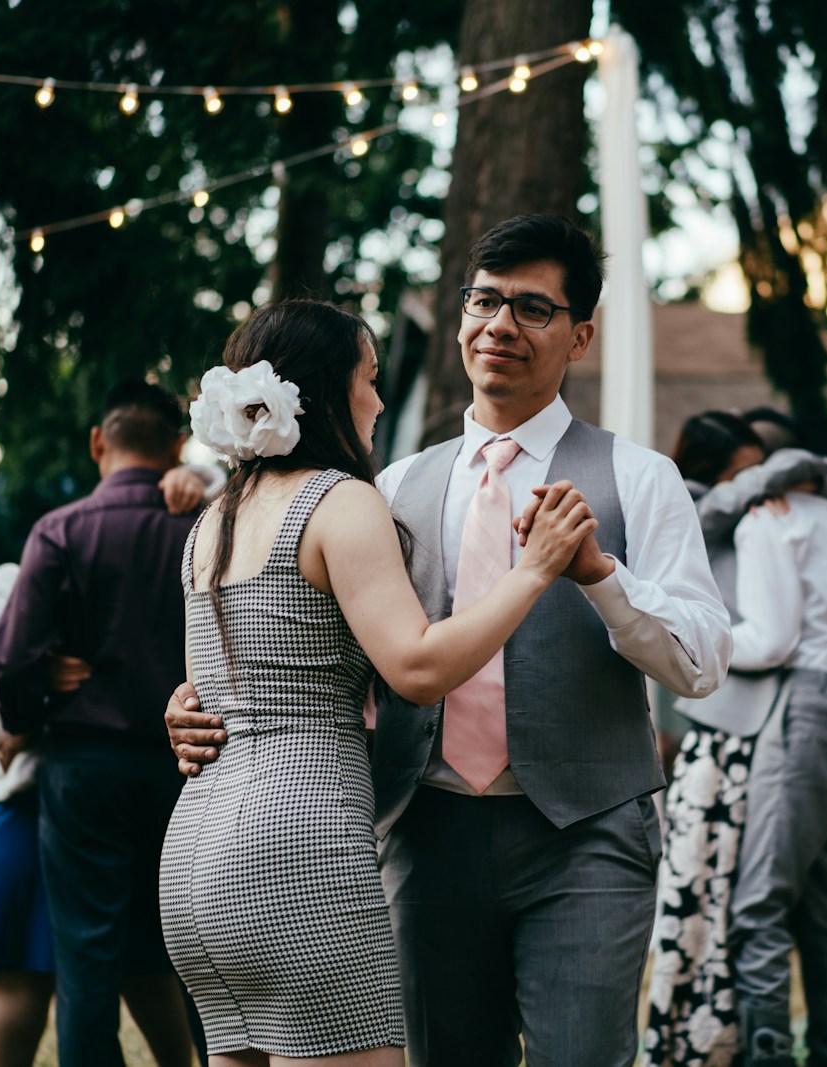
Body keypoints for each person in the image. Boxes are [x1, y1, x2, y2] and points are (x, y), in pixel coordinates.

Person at [167, 214, 732, 1067]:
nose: (500, 325)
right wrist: (203, 699)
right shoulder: (388, 485)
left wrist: (600, 574)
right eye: (485, 301)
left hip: (585, 835)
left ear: (579, 334)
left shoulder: (639, 477)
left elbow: (701, 664)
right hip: (422, 831)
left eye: (533, 309)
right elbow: (334, 648)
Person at [157, 298, 600, 1066]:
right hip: (296, 850)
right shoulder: (339, 500)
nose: (380, 398)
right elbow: (418, 667)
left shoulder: (214, 519)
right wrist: (533, 572)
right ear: (327, 391)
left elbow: (210, 690)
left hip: (194, 865)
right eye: (369, 376)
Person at [0, 465, 217, 1067]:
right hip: (34, 797)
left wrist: (196, 475)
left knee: (148, 963)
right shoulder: (17, 577)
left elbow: (243, 488)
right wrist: (34, 684)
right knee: (29, 970)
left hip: (101, 786)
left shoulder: (192, 528)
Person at [644, 410, 827, 1067]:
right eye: (744, 469)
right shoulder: (691, 510)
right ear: (714, 470)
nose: (758, 483)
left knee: (783, 896)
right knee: (711, 892)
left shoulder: (764, 512)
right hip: (724, 724)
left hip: (771, 723)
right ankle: (711, 1040)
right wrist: (780, 472)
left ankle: (797, 1045)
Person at [720, 412, 827, 1067]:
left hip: (810, 702)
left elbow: (769, 640)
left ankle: (767, 1057)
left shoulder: (767, 517)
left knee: (760, 901)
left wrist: (703, 642)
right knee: (819, 895)